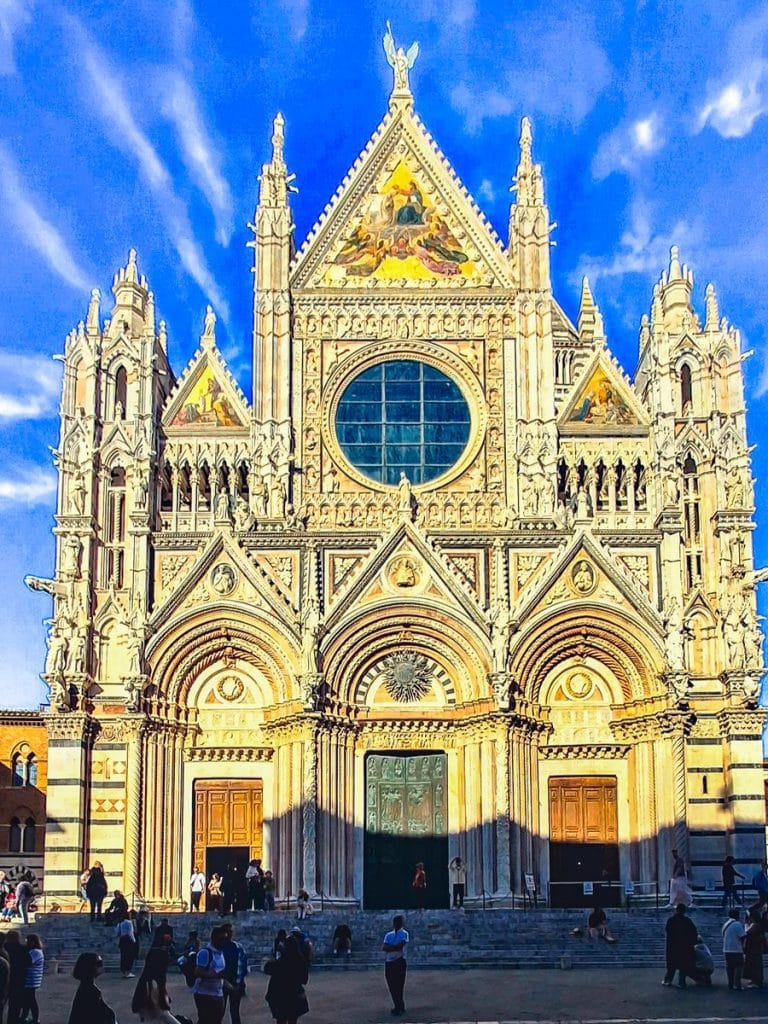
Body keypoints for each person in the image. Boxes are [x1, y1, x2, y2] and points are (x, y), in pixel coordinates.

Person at [264, 933, 309, 1024]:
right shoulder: (300, 960)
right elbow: (304, 979)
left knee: (281, 1020)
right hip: (295, 994)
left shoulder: (282, 961)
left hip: (280, 994)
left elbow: (267, 969)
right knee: (292, 1019)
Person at [67, 952, 117, 1024]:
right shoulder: (90, 991)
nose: (102, 966)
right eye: (99, 964)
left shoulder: (86, 988)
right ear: (90, 966)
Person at [192, 925, 227, 1024]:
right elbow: (198, 972)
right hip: (205, 994)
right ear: (214, 939)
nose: (224, 941)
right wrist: (216, 975)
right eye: (222, 939)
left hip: (218, 993)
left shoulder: (221, 954)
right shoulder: (205, 953)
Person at [663, 904, 698, 988]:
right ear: (684, 911)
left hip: (673, 946)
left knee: (671, 965)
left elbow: (667, 931)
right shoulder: (687, 921)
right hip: (685, 947)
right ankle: (681, 982)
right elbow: (694, 933)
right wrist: (692, 943)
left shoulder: (671, 920)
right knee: (683, 965)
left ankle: (668, 980)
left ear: (676, 910)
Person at [220, 923, 248, 1024]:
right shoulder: (237, 947)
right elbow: (242, 968)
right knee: (229, 1011)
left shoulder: (236, 947)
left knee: (227, 1011)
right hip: (227, 983)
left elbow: (242, 967)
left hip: (226, 983)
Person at [383, 914, 409, 1017]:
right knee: (392, 985)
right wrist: (394, 948)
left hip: (399, 961)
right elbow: (385, 947)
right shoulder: (388, 935)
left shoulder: (404, 933)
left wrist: (391, 947)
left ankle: (399, 1006)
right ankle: (398, 1005)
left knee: (398, 985)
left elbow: (400, 946)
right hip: (390, 962)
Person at [5, 929, 29, 1024]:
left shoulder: (4, 947)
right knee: (15, 1005)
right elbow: (28, 962)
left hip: (4, 979)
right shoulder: (23, 949)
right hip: (18, 980)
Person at [21, 933, 43, 1024]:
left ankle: (35, 1019)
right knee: (27, 1000)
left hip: (32, 979)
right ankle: (24, 1017)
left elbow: (27, 962)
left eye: (27, 941)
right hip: (31, 979)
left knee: (31, 1000)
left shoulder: (35, 952)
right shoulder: (35, 951)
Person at [722, 907, 746, 990]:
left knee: (729, 967)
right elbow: (742, 936)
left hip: (726, 949)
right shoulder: (737, 924)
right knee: (739, 966)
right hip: (736, 948)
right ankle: (737, 984)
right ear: (737, 915)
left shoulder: (725, 924)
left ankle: (730, 984)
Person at [743, 907, 766, 988]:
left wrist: (746, 925)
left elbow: (747, 932)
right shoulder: (758, 925)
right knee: (754, 964)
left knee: (755, 965)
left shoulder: (756, 926)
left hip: (754, 949)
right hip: (754, 948)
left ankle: (757, 981)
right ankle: (755, 980)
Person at [117, 913, 138, 978]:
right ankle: (127, 972)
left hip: (122, 940)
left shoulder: (120, 923)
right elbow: (130, 933)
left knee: (123, 956)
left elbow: (117, 932)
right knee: (129, 956)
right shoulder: (129, 923)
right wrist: (134, 941)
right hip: (129, 941)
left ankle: (123, 971)